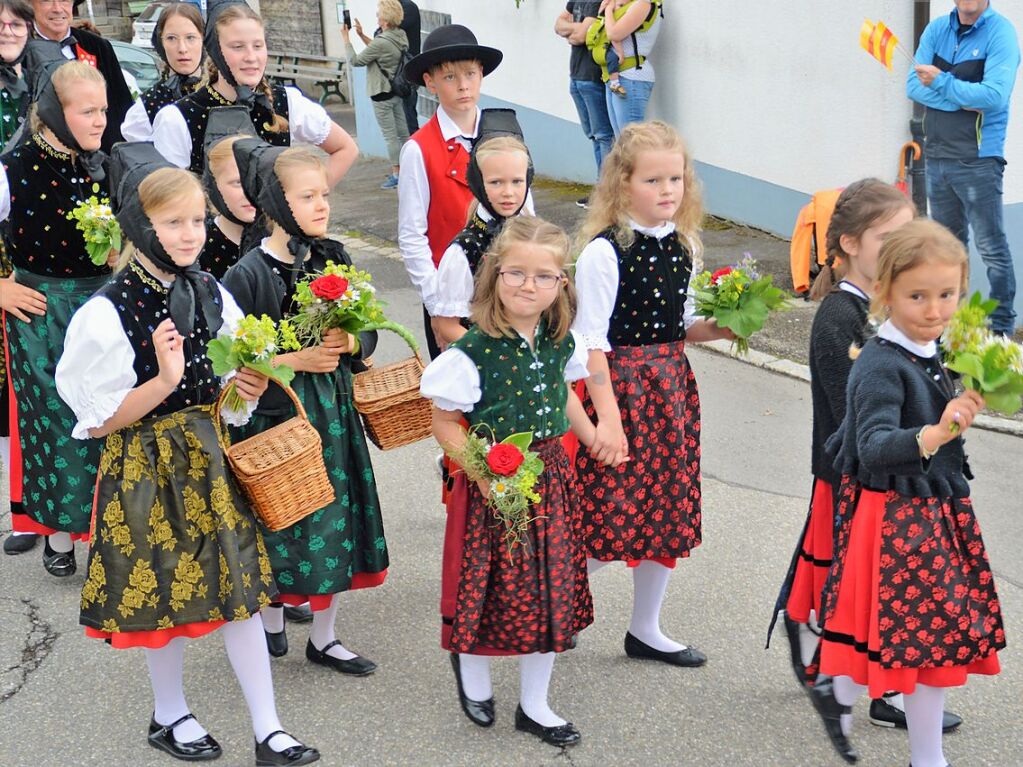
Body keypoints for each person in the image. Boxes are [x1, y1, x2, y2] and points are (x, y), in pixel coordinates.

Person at [54, 143, 319, 767]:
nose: (190, 233)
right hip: (145, 466)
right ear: (142, 226)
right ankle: (168, 712)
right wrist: (164, 382)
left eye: (198, 220)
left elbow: (225, 393)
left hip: (209, 456)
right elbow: (95, 421)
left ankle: (269, 729)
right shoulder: (106, 312)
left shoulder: (209, 290)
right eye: (174, 222)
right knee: (162, 595)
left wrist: (242, 389)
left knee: (243, 590)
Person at [818, 218, 1005, 767]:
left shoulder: (934, 347)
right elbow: (874, 445)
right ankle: (844, 697)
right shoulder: (879, 362)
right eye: (918, 295)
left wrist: (980, 389)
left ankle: (921, 752)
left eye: (947, 294)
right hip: (893, 519)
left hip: (934, 513)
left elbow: (944, 400)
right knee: (906, 641)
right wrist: (938, 431)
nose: (934, 309)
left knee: (930, 644)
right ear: (886, 292)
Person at [420, 216, 597, 746]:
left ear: (561, 284)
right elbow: (444, 424)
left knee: (549, 591)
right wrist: (487, 472)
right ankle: (471, 672)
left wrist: (592, 437)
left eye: (544, 277)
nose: (528, 286)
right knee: (490, 586)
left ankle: (535, 705)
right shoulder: (472, 352)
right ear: (495, 276)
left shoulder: (561, 341)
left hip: (551, 478)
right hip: (492, 481)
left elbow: (566, 394)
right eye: (516, 273)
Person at [223, 140, 388, 675]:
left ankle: (325, 635)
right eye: (308, 195)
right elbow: (233, 361)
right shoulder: (247, 274)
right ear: (276, 202)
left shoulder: (333, 257)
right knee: (278, 519)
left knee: (335, 519)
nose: (322, 205)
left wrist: (351, 344)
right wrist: (296, 358)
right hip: (279, 416)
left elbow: (367, 330)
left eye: (324, 195)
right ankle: (272, 623)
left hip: (333, 415)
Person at [573, 120, 732, 667]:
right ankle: (553, 601)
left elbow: (682, 323)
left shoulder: (685, 243)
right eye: (653, 180)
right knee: (608, 513)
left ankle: (645, 629)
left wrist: (724, 326)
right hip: (620, 390)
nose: (668, 191)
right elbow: (590, 342)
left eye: (676, 179)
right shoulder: (604, 251)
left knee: (664, 512)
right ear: (622, 184)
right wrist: (608, 423)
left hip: (670, 391)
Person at [0, 57, 111, 577]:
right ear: (52, 113)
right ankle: (61, 535)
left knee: (103, 415)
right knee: (55, 421)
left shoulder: (107, 164)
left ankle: (107, 531)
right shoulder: (14, 166)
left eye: (103, 111)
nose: (98, 121)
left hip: (101, 307)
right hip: (40, 309)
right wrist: (0, 287)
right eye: (87, 111)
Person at [152, 0, 358, 185]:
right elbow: (169, 203)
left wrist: (304, 204)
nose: (251, 57)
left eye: (258, 46)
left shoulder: (285, 102)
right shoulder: (178, 118)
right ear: (215, 50)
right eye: (238, 47)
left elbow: (345, 149)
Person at [907, 0, 1020, 335]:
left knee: (991, 248)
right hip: (937, 156)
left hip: (979, 160)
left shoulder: (1001, 34)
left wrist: (941, 82)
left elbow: (995, 96)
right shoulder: (936, 30)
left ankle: (1000, 331)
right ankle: (952, 329)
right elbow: (913, 87)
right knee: (946, 251)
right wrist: (965, 98)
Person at [397, 23, 503, 360]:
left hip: (507, 289)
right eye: (449, 78)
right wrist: (438, 307)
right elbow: (413, 235)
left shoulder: (503, 133)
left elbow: (526, 214)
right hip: (452, 299)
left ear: (481, 73)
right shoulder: (419, 149)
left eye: (470, 74)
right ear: (429, 82)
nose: (463, 86)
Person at [431, 110, 533, 349]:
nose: (508, 192)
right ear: (478, 182)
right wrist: (496, 355)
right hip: (483, 368)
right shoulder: (464, 251)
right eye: (496, 182)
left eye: (516, 181)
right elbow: (448, 326)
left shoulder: (533, 235)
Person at [0, 0, 37, 556]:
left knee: (25, 383)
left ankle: (33, 510)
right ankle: (20, 513)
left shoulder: (40, 77)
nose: (8, 31)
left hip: (27, 247)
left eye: (15, 23)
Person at [30, 0, 132, 152]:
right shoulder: (19, 50)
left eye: (64, 0)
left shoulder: (98, 46)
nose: (57, 9)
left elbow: (122, 107)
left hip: (100, 159)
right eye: (47, 1)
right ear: (31, 4)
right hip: (42, 160)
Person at [341, 0, 409, 190]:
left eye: (379, 14)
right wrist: (361, 35)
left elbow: (356, 61)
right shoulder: (399, 35)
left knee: (390, 137)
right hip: (395, 92)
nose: (377, 17)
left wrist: (347, 39)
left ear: (386, 20)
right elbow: (379, 49)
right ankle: (410, 169)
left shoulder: (381, 42)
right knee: (403, 133)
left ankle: (397, 174)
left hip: (381, 94)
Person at [554, 0, 613, 208]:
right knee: (593, 135)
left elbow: (580, 36)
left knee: (604, 136)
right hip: (577, 76)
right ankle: (601, 190)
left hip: (593, 77)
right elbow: (557, 25)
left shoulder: (597, 1)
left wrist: (572, 30)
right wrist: (575, 29)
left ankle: (606, 193)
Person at [120, 2, 204, 142]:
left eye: (190, 37)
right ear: (161, 43)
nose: (182, 48)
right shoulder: (149, 104)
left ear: (203, 40)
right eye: (171, 38)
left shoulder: (223, 92)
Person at [200, 106, 258, 279]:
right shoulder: (198, 249)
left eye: (255, 180)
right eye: (237, 183)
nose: (249, 192)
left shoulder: (282, 237)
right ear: (214, 186)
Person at [598, 0, 660, 136]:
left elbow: (614, 34)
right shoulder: (624, 5)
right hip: (616, 75)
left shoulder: (643, 4)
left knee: (631, 142)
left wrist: (608, 10)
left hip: (632, 77)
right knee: (621, 141)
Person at [397, 0, 420, 134]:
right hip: (396, 73)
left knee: (408, 118)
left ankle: (416, 150)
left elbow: (384, 32)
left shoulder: (408, 8)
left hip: (407, 72)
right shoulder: (400, 8)